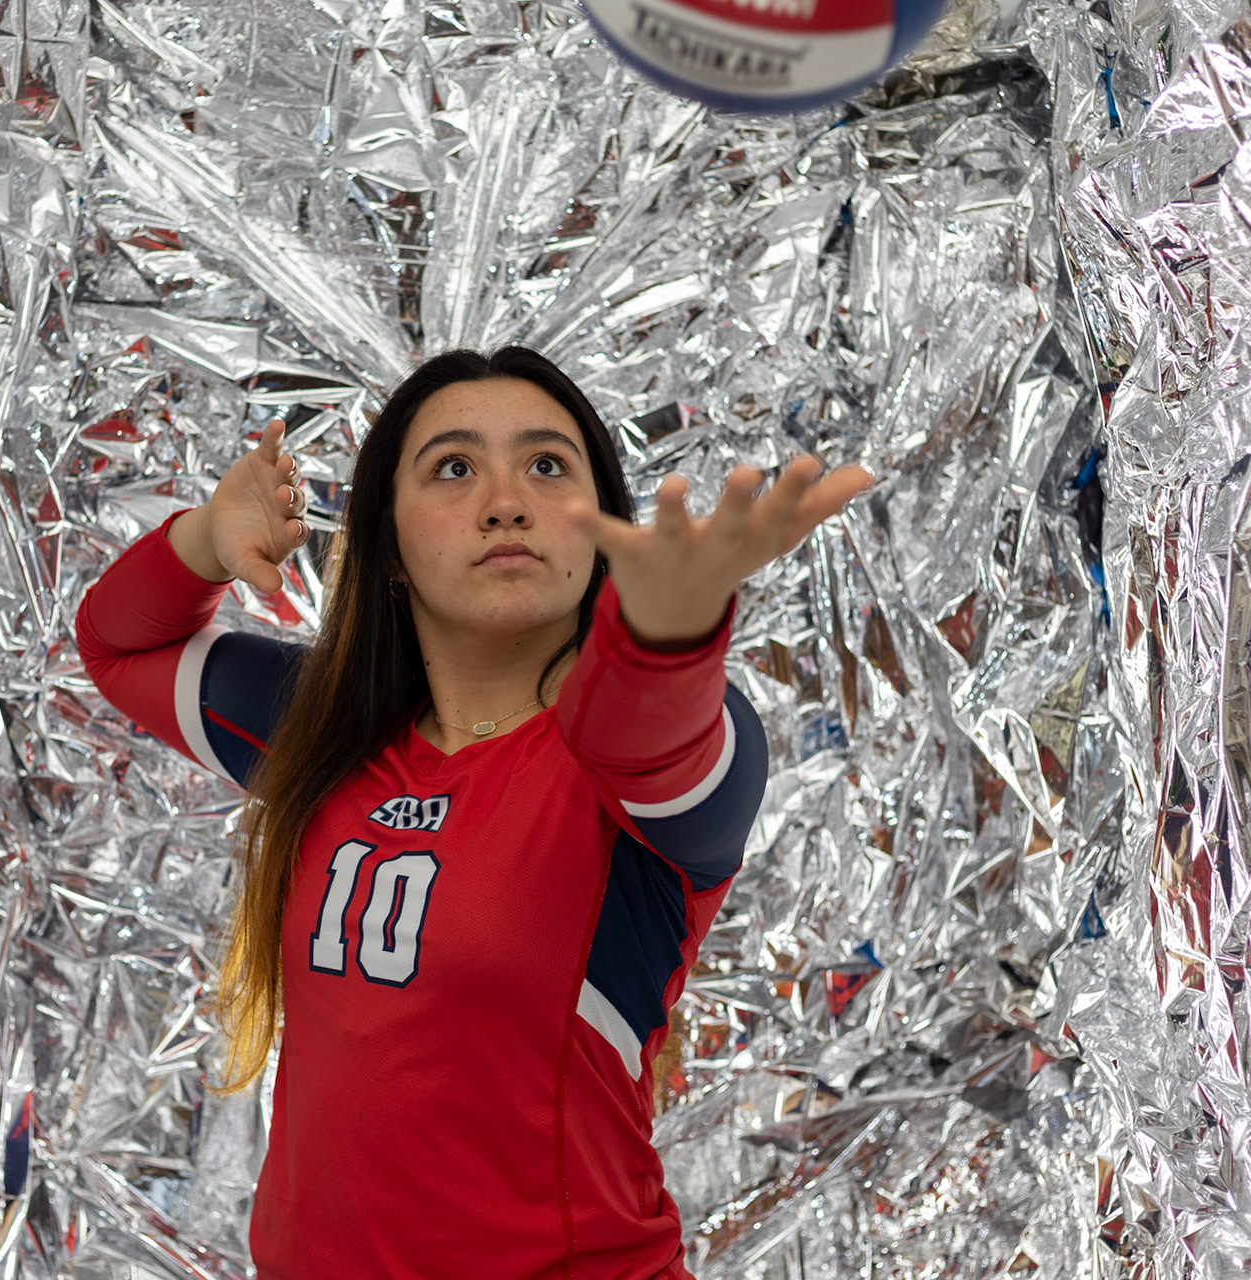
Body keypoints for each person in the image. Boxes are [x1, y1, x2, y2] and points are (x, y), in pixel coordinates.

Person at [75, 347, 872, 1278]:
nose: (505, 500)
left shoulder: (630, 760)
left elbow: (651, 736)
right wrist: (208, 538)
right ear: (388, 545)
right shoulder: (327, 733)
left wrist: (668, 635)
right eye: (454, 468)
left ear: (602, 531)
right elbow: (118, 645)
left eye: (547, 465)